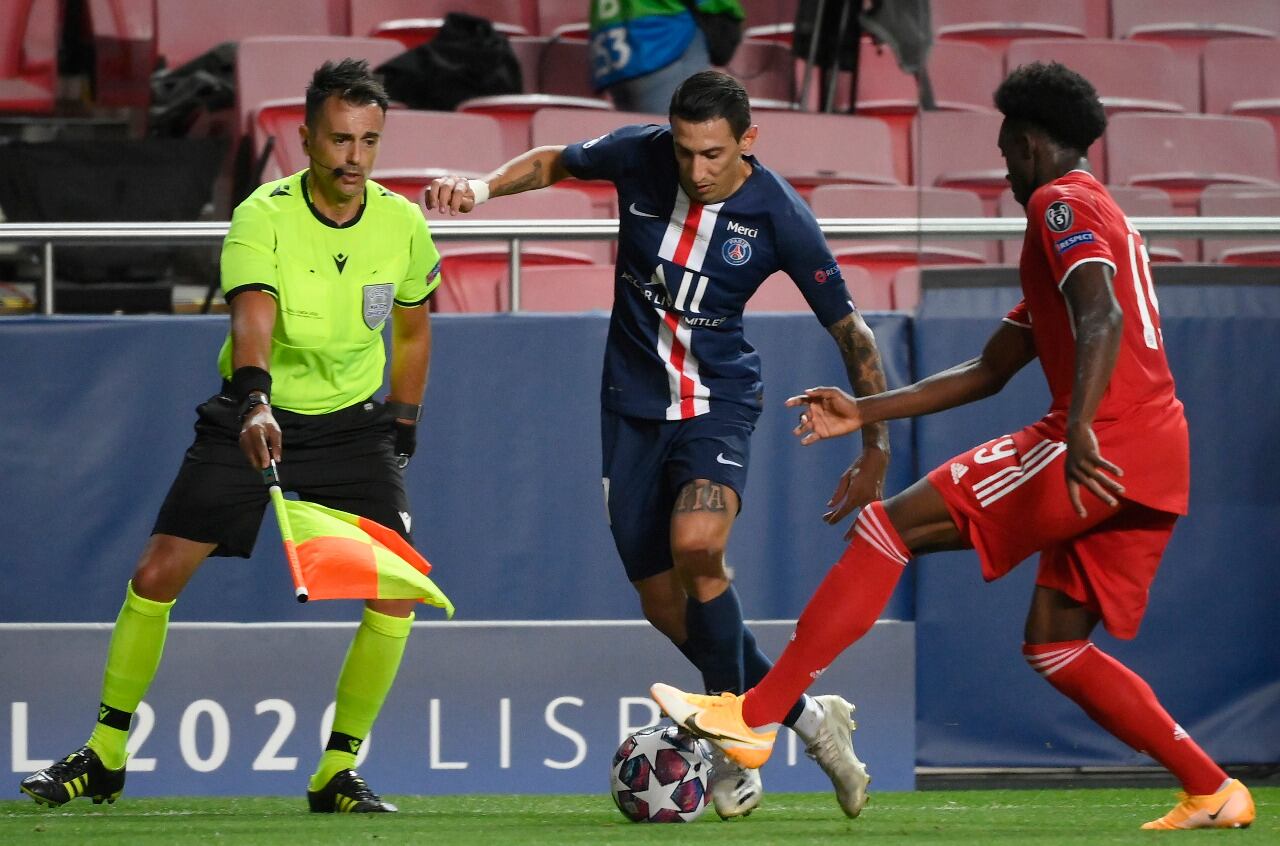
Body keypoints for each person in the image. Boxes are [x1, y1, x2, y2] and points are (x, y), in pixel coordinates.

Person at [651, 62, 1257, 831]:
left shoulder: (1059, 204)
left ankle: (756, 716)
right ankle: (1212, 787)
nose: (1003, 164)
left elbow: (1100, 319)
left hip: (1103, 440)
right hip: (1157, 456)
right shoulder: (1096, 219)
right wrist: (861, 409)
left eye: (1006, 147)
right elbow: (989, 369)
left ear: (1030, 141)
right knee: (1056, 645)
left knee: (887, 527)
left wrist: (1076, 430)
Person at [427, 69, 891, 819]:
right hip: (631, 411)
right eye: (685, 152)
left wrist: (876, 449)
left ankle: (736, 735)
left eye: (713, 154)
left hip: (717, 404)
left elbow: (854, 333)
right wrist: (481, 190)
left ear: (748, 141)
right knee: (657, 597)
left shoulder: (779, 215)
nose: (697, 170)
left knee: (698, 546)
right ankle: (803, 719)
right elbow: (554, 160)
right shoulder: (640, 155)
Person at [19, 59, 442, 814]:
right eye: (340, 139)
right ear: (307, 138)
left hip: (353, 425)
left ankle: (336, 770)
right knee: (157, 573)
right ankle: (107, 751)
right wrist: (254, 403)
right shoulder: (263, 214)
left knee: (396, 590)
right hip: (256, 412)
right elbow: (252, 318)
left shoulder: (402, 223)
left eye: (369, 141)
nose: (354, 156)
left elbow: (412, 330)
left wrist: (403, 420)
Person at [589, 0, 744, 113]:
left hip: (614, 59)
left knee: (635, 145)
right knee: (675, 140)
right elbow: (718, 5)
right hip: (663, 48)